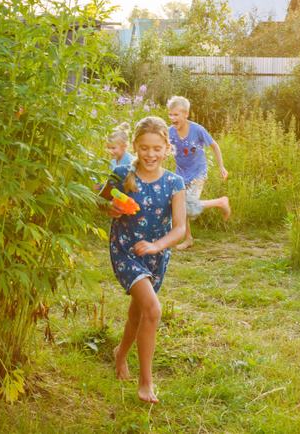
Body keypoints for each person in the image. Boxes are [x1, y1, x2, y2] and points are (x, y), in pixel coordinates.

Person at [100, 116, 186, 403]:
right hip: (125, 250)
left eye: (157, 148)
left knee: (138, 311)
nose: (150, 154)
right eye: (145, 148)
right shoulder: (123, 173)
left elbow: (180, 228)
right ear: (135, 146)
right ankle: (146, 383)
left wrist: (156, 246)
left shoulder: (175, 182)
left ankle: (120, 354)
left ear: (166, 148)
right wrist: (111, 208)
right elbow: (100, 200)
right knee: (152, 309)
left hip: (155, 254)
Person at [167, 96, 230, 250]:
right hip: (180, 173)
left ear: (186, 114)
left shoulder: (197, 130)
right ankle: (188, 239)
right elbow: (164, 148)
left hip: (198, 172)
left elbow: (214, 146)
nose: (173, 118)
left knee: (187, 205)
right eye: (170, 115)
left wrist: (221, 166)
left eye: (176, 114)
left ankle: (221, 202)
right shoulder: (170, 132)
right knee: (180, 205)